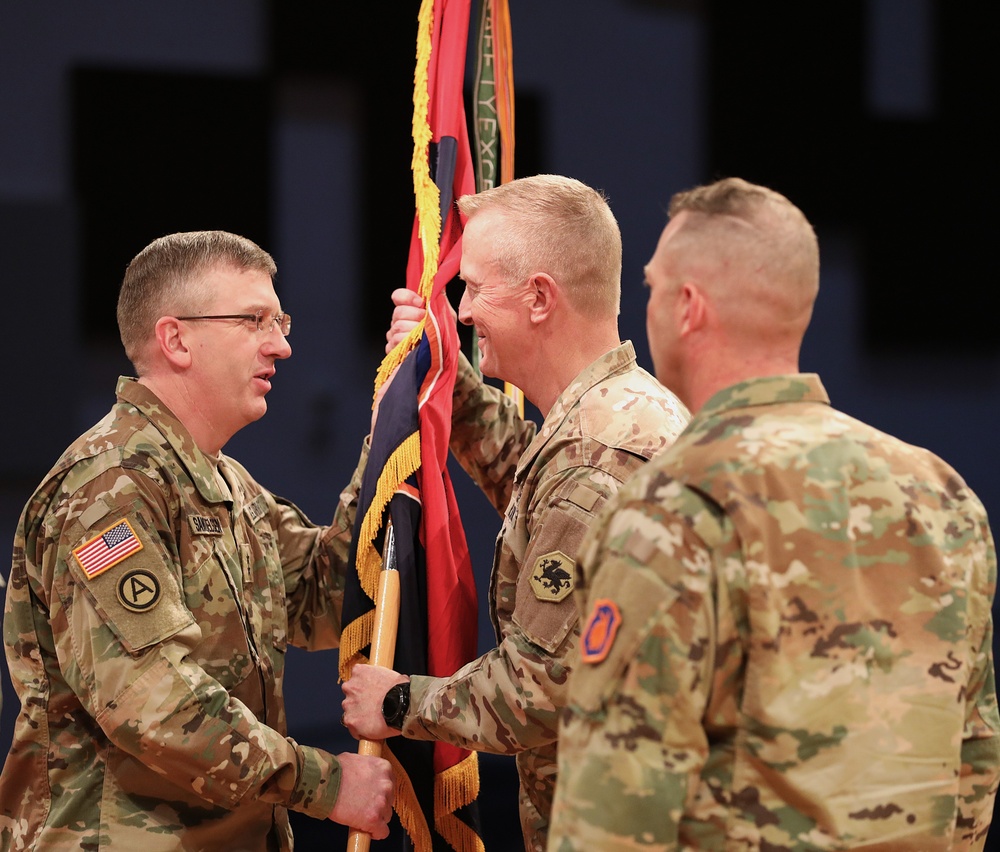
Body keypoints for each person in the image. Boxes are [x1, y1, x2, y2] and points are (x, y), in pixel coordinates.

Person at [547, 177, 1000, 850]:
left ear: (688, 308)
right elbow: (973, 768)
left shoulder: (672, 508)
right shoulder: (939, 492)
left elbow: (614, 812)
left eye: (651, 288)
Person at [0, 231, 394, 849]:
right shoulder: (110, 486)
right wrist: (323, 782)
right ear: (175, 338)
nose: (282, 346)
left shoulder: (223, 483)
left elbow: (330, 597)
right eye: (254, 321)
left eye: (280, 320)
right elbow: (150, 701)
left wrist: (392, 427)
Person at [341, 174, 690, 851]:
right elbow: (532, 484)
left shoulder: (598, 456)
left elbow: (538, 686)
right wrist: (444, 374)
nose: (462, 310)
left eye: (472, 288)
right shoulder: (612, 418)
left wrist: (396, 702)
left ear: (538, 298)